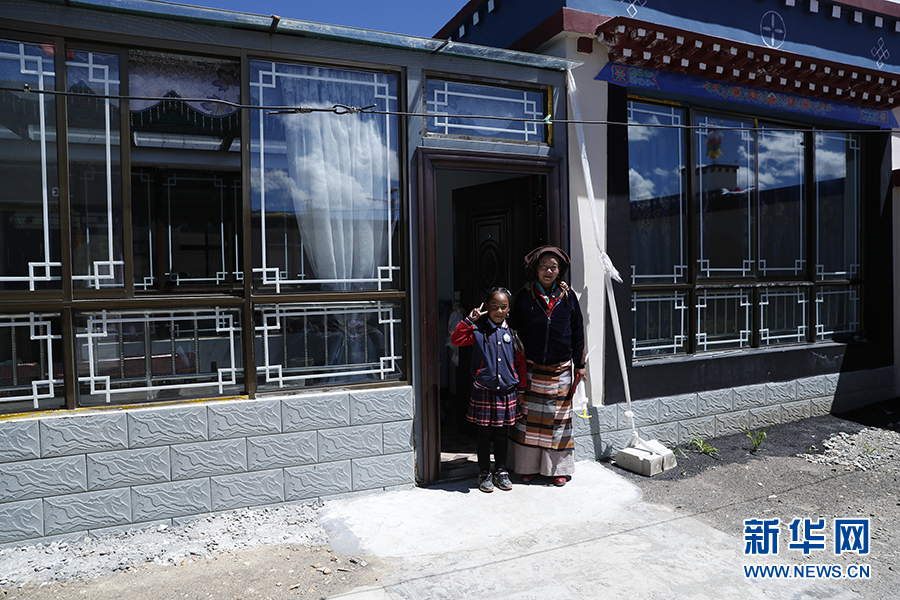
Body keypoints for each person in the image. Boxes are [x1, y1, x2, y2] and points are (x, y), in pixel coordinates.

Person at [508, 246, 586, 487]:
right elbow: (513, 330)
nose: (548, 271)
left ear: (559, 271)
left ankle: (557, 470)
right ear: (536, 269)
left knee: (557, 422)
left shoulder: (568, 297)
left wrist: (580, 364)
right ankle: (527, 468)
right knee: (529, 420)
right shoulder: (525, 295)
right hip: (531, 367)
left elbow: (578, 331)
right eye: (544, 266)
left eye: (553, 267)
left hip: (560, 369)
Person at [451, 287, 526, 493]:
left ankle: (501, 471)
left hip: (507, 392)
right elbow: (456, 339)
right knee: (484, 434)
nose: (499, 311)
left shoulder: (513, 333)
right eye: (494, 306)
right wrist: (470, 320)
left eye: (503, 307)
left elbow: (520, 362)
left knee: (502, 434)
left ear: (509, 309)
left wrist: (521, 389)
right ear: (487, 307)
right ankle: (484, 473)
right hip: (484, 390)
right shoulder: (477, 330)